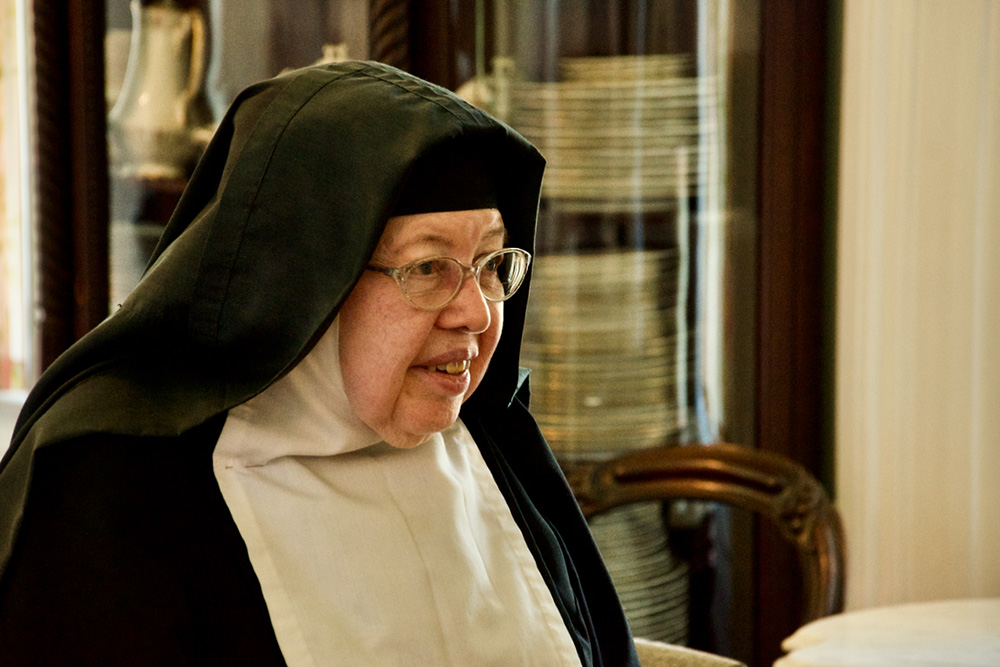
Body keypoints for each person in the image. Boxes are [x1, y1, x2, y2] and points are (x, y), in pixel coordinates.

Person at [0, 61, 639, 665]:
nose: (475, 312)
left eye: (493, 265)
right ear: (305, 283)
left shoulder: (499, 443)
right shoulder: (113, 489)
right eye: (427, 267)